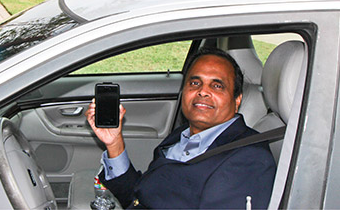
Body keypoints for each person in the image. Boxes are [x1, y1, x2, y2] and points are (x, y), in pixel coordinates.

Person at [85, 47, 276, 209]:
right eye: (195, 83)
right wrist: (114, 143)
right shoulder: (182, 135)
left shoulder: (249, 159)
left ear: (237, 100)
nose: (203, 91)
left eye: (217, 86)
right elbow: (141, 197)